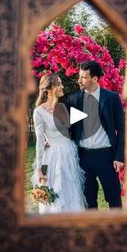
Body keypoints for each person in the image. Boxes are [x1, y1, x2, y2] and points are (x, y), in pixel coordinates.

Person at [66, 60, 124, 209]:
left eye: (83, 77)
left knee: (114, 200)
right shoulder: (73, 100)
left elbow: (123, 129)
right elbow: (68, 128)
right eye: (79, 76)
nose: (79, 80)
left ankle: (118, 230)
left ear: (95, 78)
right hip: (83, 158)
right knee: (89, 202)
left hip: (106, 157)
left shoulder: (111, 98)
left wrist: (119, 157)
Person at [31, 73, 86, 213]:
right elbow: (39, 143)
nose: (62, 87)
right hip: (53, 157)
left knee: (72, 191)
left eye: (62, 83)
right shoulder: (39, 112)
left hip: (70, 153)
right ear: (49, 89)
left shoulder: (62, 107)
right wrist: (39, 169)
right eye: (59, 84)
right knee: (56, 191)